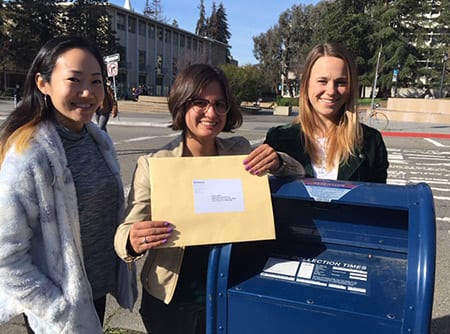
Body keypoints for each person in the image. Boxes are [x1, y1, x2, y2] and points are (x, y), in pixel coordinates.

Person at [114, 63, 304, 334]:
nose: (211, 112)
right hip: (172, 298)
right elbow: (124, 233)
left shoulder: (238, 152)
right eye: (200, 102)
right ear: (182, 104)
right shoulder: (155, 164)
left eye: (219, 104)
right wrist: (133, 241)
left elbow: (297, 172)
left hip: (229, 290)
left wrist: (277, 161)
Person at [0, 35, 136, 334]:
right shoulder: (28, 153)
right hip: (62, 307)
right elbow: (5, 257)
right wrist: (57, 307)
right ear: (43, 83)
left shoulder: (98, 140)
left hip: (94, 291)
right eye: (74, 80)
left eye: (96, 81)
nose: (87, 92)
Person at [264, 42, 389, 183]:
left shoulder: (371, 142)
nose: (331, 91)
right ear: (306, 85)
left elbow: (378, 198)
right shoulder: (278, 138)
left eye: (341, 82)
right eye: (322, 81)